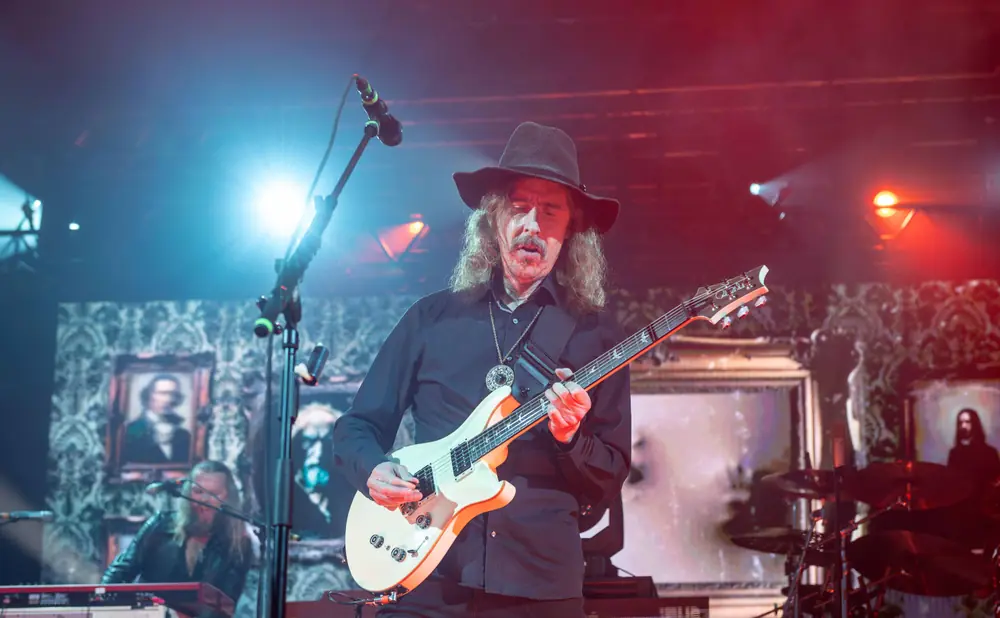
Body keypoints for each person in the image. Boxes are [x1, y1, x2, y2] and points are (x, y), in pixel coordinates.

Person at [332, 121, 632, 617]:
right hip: (426, 574)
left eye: (550, 211)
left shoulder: (596, 338)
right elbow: (357, 427)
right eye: (519, 207)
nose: (532, 225)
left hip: (539, 584)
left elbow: (609, 475)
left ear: (571, 229)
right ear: (493, 218)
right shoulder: (431, 319)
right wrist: (373, 470)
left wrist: (570, 437)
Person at [102, 460, 253, 604]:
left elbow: (226, 602)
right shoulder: (159, 525)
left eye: (214, 493)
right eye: (198, 491)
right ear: (187, 493)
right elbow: (119, 573)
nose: (204, 500)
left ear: (228, 497)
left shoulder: (237, 546)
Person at [121, 374, 193, 465]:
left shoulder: (184, 435)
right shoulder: (129, 431)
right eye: (163, 393)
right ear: (148, 395)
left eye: (174, 394)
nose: (169, 399)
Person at [947, 408, 1000, 491]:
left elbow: (996, 480)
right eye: (960, 422)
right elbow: (950, 482)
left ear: (975, 424)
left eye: (967, 422)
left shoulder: (990, 452)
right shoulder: (954, 453)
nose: (963, 426)